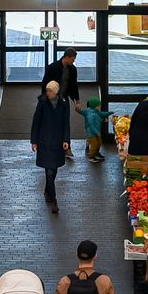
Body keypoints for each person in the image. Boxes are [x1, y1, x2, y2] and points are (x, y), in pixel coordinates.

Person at [30, 80, 72, 214]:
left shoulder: (63, 103)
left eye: (50, 91)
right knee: (49, 170)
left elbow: (66, 123)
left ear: (56, 92)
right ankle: (54, 200)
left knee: (53, 170)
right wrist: (34, 141)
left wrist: (66, 140)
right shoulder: (42, 103)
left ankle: (48, 190)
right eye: (47, 90)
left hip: (58, 142)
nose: (47, 93)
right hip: (45, 142)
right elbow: (36, 121)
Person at [41, 48, 81, 147]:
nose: (73, 61)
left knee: (65, 121)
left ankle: (66, 145)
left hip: (64, 98)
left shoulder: (72, 69)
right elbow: (45, 84)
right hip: (52, 99)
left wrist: (77, 100)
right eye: (72, 59)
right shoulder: (52, 67)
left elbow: (74, 85)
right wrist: (44, 99)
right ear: (66, 57)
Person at [82, 96, 114, 163]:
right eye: (98, 105)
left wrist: (109, 113)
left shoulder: (96, 112)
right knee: (94, 145)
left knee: (99, 143)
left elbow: (100, 117)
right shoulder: (90, 115)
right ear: (95, 106)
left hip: (96, 132)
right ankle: (91, 157)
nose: (100, 106)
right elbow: (91, 125)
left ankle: (96, 153)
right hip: (92, 133)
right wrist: (96, 132)